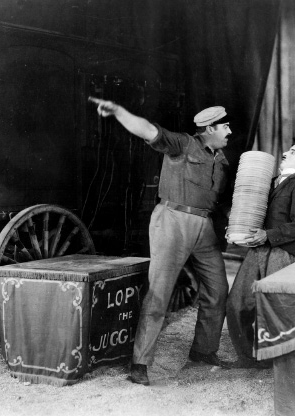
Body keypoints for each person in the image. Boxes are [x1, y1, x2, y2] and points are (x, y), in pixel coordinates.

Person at [89, 97, 234, 386]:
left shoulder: (221, 160)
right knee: (160, 293)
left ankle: (204, 351)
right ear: (208, 129)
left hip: (203, 225)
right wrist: (119, 110)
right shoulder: (182, 144)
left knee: (218, 289)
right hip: (172, 220)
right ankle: (140, 363)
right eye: (225, 126)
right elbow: (146, 130)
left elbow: (218, 201)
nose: (230, 131)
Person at [226, 136, 295, 367]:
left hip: (283, 252)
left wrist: (268, 235)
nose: (285, 153)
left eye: (293, 152)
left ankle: (282, 361)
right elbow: (253, 213)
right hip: (258, 250)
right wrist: (236, 227)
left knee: (276, 307)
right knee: (237, 303)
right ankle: (250, 357)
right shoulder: (271, 181)